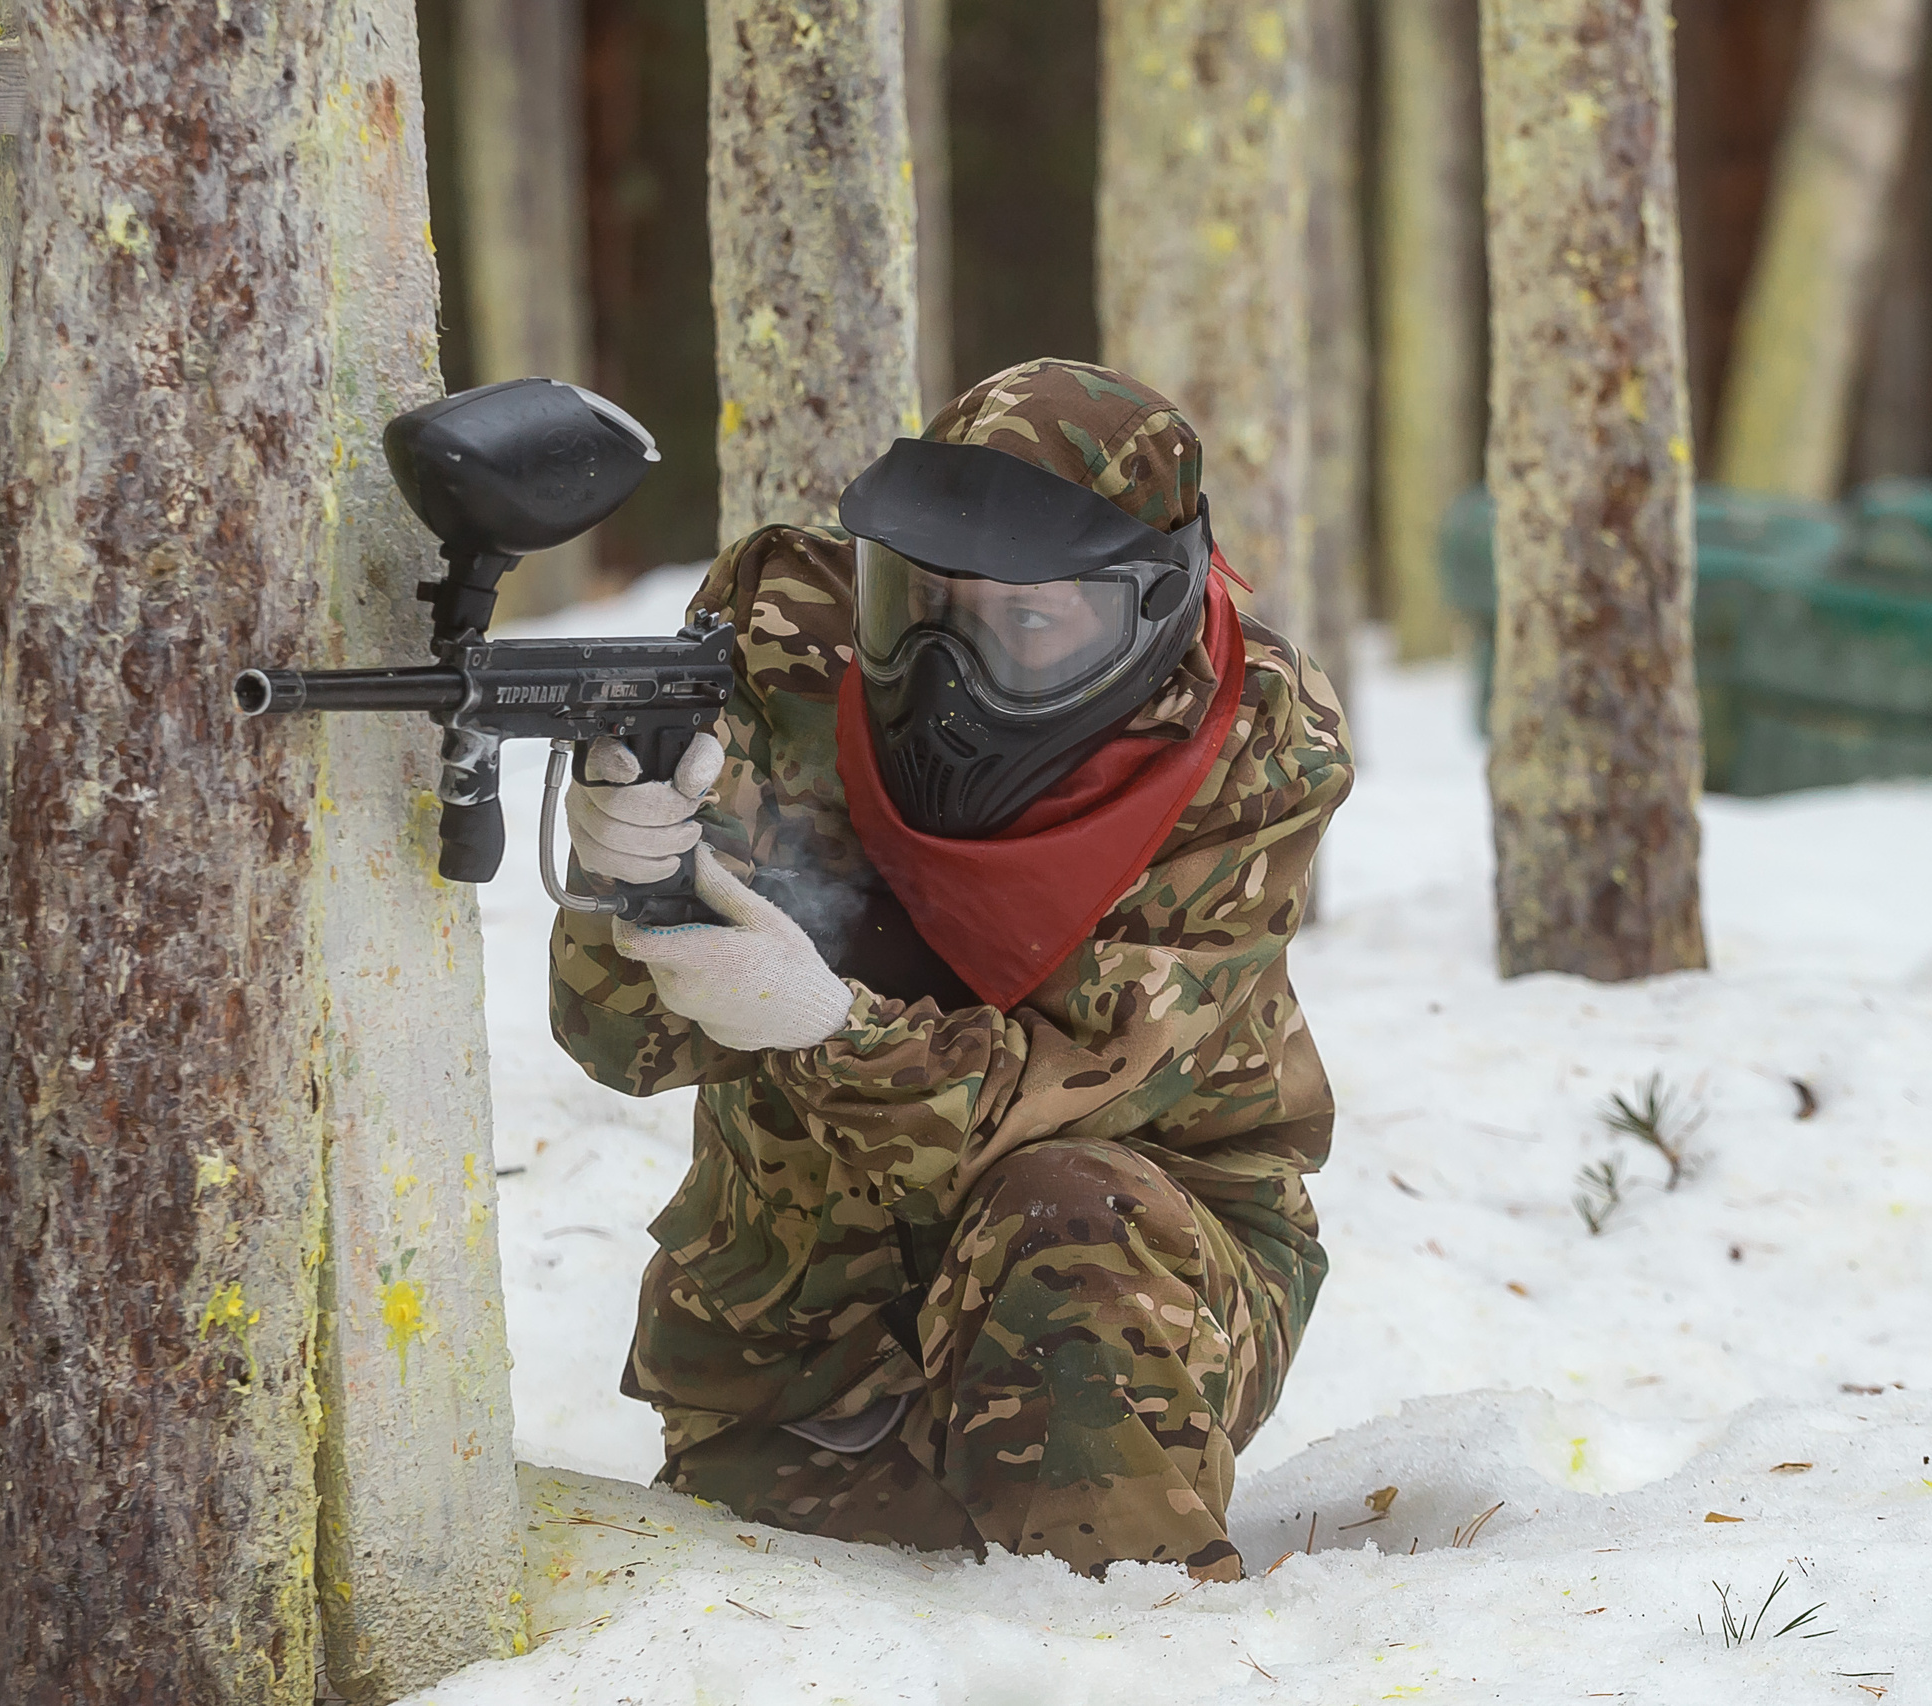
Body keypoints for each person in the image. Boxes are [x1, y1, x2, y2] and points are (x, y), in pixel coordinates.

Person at [547, 359, 1353, 1581]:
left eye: (1027, 624)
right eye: (919, 608)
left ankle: (1141, 1660)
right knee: (790, 1619)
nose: (948, 674)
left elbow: (1090, 1079)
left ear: (1149, 612)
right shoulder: (790, 648)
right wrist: (629, 880)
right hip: (802, 1309)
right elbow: (625, 1040)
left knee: (1069, 1217)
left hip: (1134, 1295)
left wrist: (822, 1024)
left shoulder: (1243, 749)